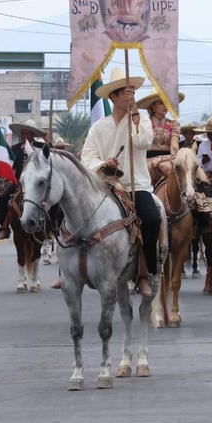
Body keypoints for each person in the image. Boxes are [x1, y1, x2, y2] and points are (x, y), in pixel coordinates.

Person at [80, 67, 158, 297]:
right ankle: (69, 269)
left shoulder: (142, 119)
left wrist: (134, 119)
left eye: (132, 90)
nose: (129, 94)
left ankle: (146, 272)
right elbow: (88, 158)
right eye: (124, 91)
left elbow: (145, 142)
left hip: (136, 184)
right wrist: (104, 163)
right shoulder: (98, 127)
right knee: (72, 213)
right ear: (113, 96)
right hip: (104, 185)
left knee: (152, 219)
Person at [0, 119, 46, 239]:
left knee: (53, 200)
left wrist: (48, 142)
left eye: (27, 133)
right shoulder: (15, 148)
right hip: (20, 181)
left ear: (32, 134)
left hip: (37, 182)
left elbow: (50, 156)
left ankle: (51, 227)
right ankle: (4, 228)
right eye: (23, 133)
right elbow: (11, 164)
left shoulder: (42, 147)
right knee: (2, 198)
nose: (24, 136)